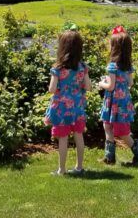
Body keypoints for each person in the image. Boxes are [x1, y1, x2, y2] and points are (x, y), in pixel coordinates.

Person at [44, 24, 90, 176]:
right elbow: (88, 87)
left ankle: (62, 170)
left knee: (62, 138)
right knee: (79, 136)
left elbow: (51, 89)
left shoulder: (58, 68)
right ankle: (79, 167)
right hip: (77, 106)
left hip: (62, 108)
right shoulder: (82, 67)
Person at [98, 25, 138, 165]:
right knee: (109, 127)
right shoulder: (127, 66)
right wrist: (113, 82)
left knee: (122, 131)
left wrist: (102, 83)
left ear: (114, 48)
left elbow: (111, 86)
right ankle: (109, 157)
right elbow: (130, 83)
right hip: (123, 101)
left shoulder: (112, 66)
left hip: (114, 102)